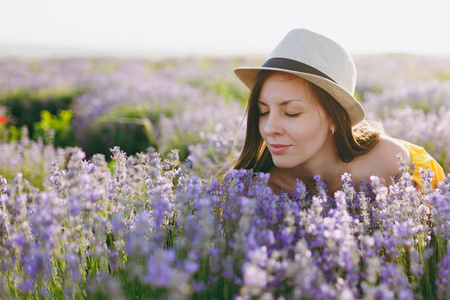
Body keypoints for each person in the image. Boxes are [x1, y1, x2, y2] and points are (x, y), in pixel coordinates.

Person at [232, 28, 445, 195]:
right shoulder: (257, 189)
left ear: (336, 116)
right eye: (263, 112)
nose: (270, 129)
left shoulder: (398, 167)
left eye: (291, 112)